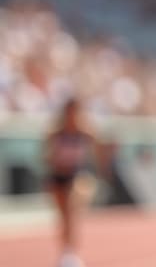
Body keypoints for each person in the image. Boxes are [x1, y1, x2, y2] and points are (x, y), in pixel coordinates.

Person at [43, 97, 103, 267]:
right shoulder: (55, 133)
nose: (73, 116)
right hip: (58, 176)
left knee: (71, 211)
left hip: (77, 175)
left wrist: (99, 171)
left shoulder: (86, 133)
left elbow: (98, 151)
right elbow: (46, 155)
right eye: (70, 111)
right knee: (63, 218)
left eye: (76, 112)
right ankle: (65, 251)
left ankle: (71, 253)